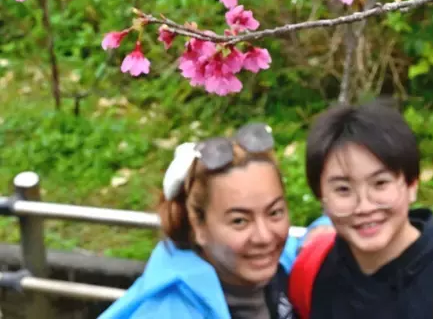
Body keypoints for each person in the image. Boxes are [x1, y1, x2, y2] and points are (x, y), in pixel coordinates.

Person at [289, 100, 433, 319]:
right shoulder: (311, 272)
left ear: (412, 185)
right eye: (343, 189)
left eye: (380, 183)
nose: (364, 206)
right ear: (322, 198)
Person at [100, 122, 330, 319]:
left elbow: (314, 237)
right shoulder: (169, 312)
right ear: (198, 226)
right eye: (240, 221)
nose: (265, 236)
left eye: (274, 213)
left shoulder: (283, 267)